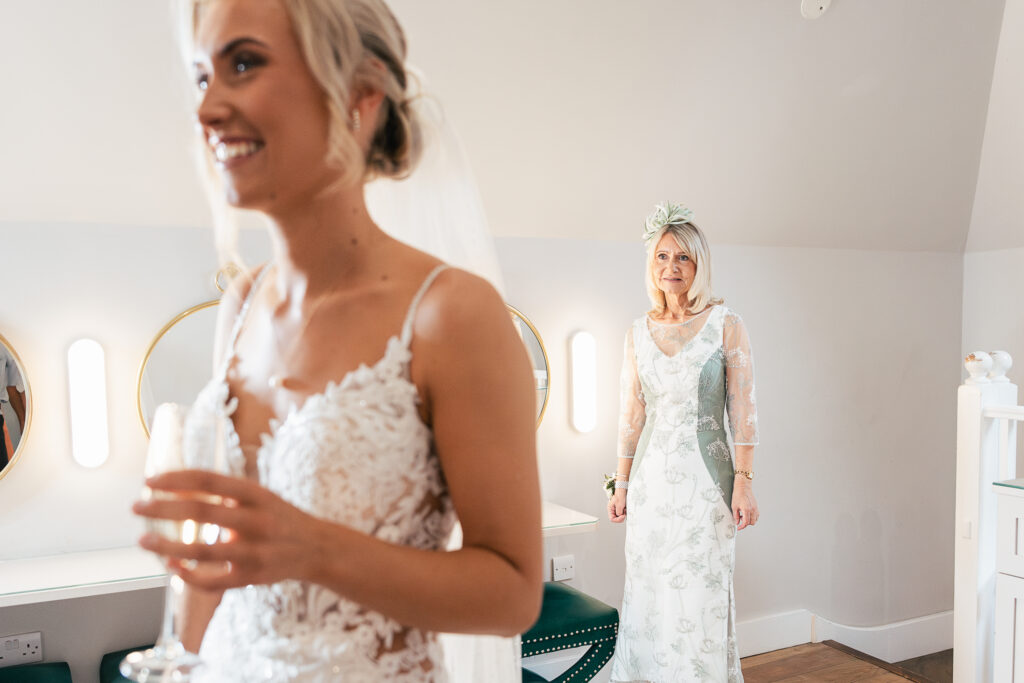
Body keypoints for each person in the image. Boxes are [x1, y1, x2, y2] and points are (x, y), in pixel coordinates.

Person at [130, 0, 542, 680]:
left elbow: (514, 593)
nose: (207, 110)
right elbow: (220, 565)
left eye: (243, 64)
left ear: (360, 93)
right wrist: (181, 654)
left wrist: (312, 547)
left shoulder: (451, 314)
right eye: (202, 77)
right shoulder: (239, 305)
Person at [606, 202, 759, 683]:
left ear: (699, 266)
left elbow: (744, 411)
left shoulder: (725, 324)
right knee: (650, 597)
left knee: (698, 600)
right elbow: (631, 415)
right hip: (652, 489)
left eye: (683, 259)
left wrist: (745, 483)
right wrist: (622, 484)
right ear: (652, 265)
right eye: (662, 257)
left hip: (705, 488)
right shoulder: (636, 332)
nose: (671, 268)